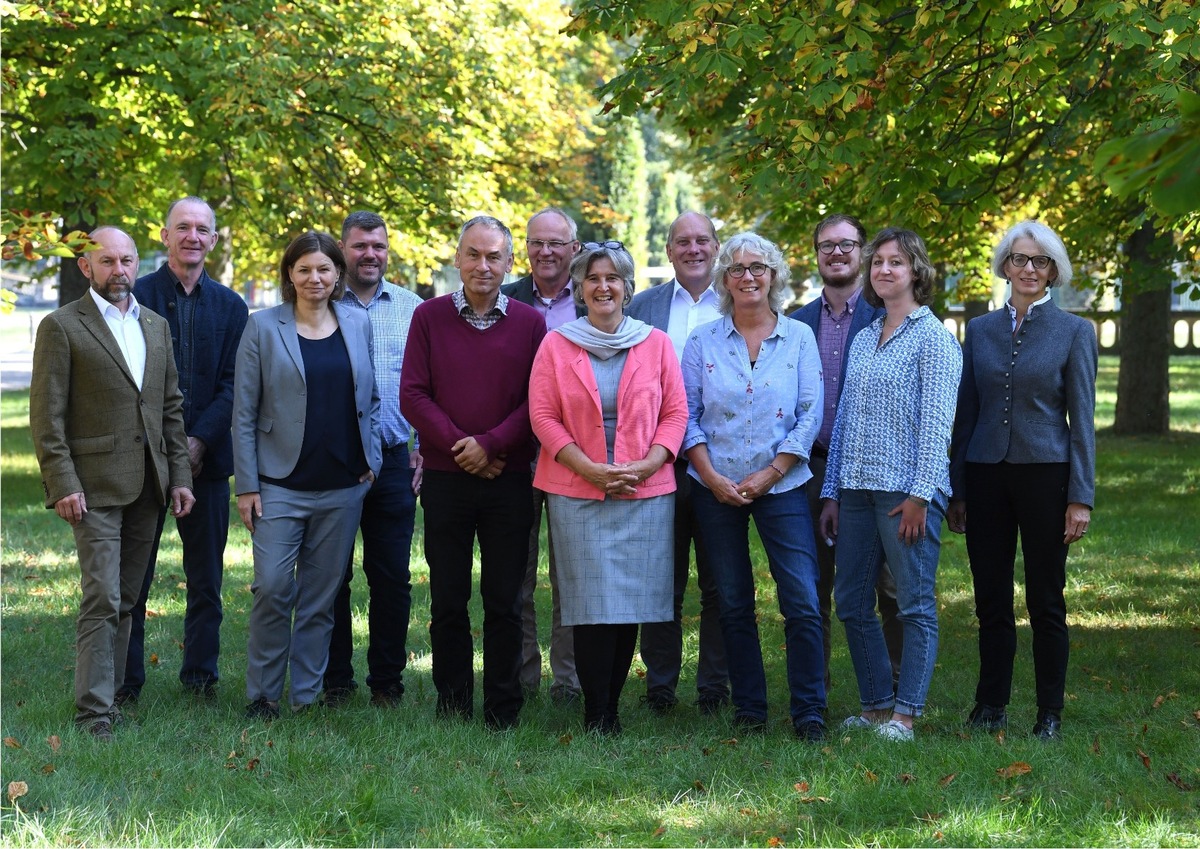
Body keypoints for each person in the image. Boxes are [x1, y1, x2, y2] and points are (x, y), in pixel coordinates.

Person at [29, 227, 195, 740]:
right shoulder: (62, 326)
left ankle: (115, 697)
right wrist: (63, 484)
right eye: (107, 261)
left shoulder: (155, 325)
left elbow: (170, 410)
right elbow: (46, 416)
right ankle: (94, 712)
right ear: (86, 266)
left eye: (127, 261)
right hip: (92, 486)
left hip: (149, 485)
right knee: (101, 596)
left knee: (128, 598)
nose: (119, 270)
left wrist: (180, 478)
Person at [948, 220, 1097, 741]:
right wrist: (959, 489)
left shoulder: (1075, 332)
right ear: (1005, 266)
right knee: (990, 596)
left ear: (1053, 270)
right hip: (986, 475)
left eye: (1039, 261)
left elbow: (1082, 420)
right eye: (1019, 259)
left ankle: (1049, 713)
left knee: (1045, 599)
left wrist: (1080, 497)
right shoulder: (981, 330)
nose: (1028, 269)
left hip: (1046, 477)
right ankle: (991, 703)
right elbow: (967, 413)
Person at [529, 240, 685, 734]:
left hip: (645, 492)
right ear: (579, 288)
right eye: (593, 279)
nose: (603, 287)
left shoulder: (654, 342)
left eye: (612, 278)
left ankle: (612, 709)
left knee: (630, 605)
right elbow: (543, 417)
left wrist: (647, 464)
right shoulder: (557, 344)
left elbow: (676, 413)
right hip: (578, 491)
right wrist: (589, 469)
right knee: (590, 605)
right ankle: (596, 712)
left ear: (627, 288)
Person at [400, 216, 546, 731]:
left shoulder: (530, 323)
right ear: (457, 259)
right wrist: (464, 449)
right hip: (446, 478)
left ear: (510, 264)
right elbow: (413, 394)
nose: (483, 266)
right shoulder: (429, 317)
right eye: (474, 255)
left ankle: (503, 707)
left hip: (508, 479)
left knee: (505, 600)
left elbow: (538, 402)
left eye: (494, 257)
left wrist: (489, 446)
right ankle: (454, 702)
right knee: (448, 598)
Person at [819, 227, 961, 741]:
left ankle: (907, 713)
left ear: (915, 272)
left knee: (914, 604)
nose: (883, 270)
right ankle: (877, 705)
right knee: (851, 602)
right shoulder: (863, 339)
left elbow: (936, 424)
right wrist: (831, 491)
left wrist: (921, 495)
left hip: (906, 495)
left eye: (895, 262)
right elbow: (845, 423)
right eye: (877, 262)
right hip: (855, 490)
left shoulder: (934, 339)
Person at [683, 232, 827, 740]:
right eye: (738, 268)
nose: (748, 276)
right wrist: (712, 477)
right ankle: (750, 708)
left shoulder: (799, 339)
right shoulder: (702, 342)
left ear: (774, 276)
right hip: (714, 486)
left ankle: (810, 710)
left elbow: (810, 416)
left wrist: (769, 474)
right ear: (724, 279)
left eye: (758, 267)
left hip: (784, 486)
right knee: (733, 600)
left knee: (802, 600)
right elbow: (686, 416)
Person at [233, 230, 380, 719]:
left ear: (338, 273)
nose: (314, 278)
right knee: (273, 588)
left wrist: (372, 463)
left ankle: (305, 697)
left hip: (343, 485)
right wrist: (248, 485)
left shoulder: (357, 323)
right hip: (278, 485)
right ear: (289, 275)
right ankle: (262, 695)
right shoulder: (262, 327)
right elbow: (244, 413)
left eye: (323, 269)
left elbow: (371, 401)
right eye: (304, 270)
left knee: (320, 599)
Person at [119, 196, 248, 704]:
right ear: (164, 235)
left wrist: (198, 441)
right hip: (144, 461)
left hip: (209, 461)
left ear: (213, 240)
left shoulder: (232, 307)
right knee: (134, 579)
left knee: (207, 581)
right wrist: (172, 447)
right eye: (183, 228)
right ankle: (127, 683)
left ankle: (200, 679)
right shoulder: (136, 297)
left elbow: (236, 384)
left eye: (203, 229)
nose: (193, 236)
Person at [790, 214, 903, 689]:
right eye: (826, 246)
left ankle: (894, 680)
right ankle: (817, 683)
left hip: (875, 469)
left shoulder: (891, 317)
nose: (836, 253)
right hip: (810, 466)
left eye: (846, 245)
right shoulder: (796, 324)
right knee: (811, 582)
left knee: (887, 583)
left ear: (862, 252)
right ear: (815, 253)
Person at [319, 212, 425, 708]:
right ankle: (335, 680)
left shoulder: (412, 308)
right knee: (331, 575)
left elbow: (427, 386)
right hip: (332, 462)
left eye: (378, 246)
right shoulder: (317, 304)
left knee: (391, 577)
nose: (370, 254)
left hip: (394, 459)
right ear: (343, 250)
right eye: (360, 246)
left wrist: (423, 447)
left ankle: (387, 682)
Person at [626, 211, 730, 715]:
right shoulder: (642, 307)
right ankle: (660, 687)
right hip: (657, 463)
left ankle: (713, 687)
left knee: (718, 579)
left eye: (702, 240)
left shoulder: (737, 305)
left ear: (716, 247)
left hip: (721, 463)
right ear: (668, 250)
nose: (693, 249)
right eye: (682, 241)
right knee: (660, 579)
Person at [501, 207, 584, 704]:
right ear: (524, 249)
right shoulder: (505, 301)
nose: (547, 251)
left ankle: (569, 680)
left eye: (557, 242)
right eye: (537, 242)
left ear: (574, 247)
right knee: (517, 572)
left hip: (578, 456)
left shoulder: (596, 296)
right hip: (516, 455)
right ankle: (524, 674)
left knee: (571, 570)